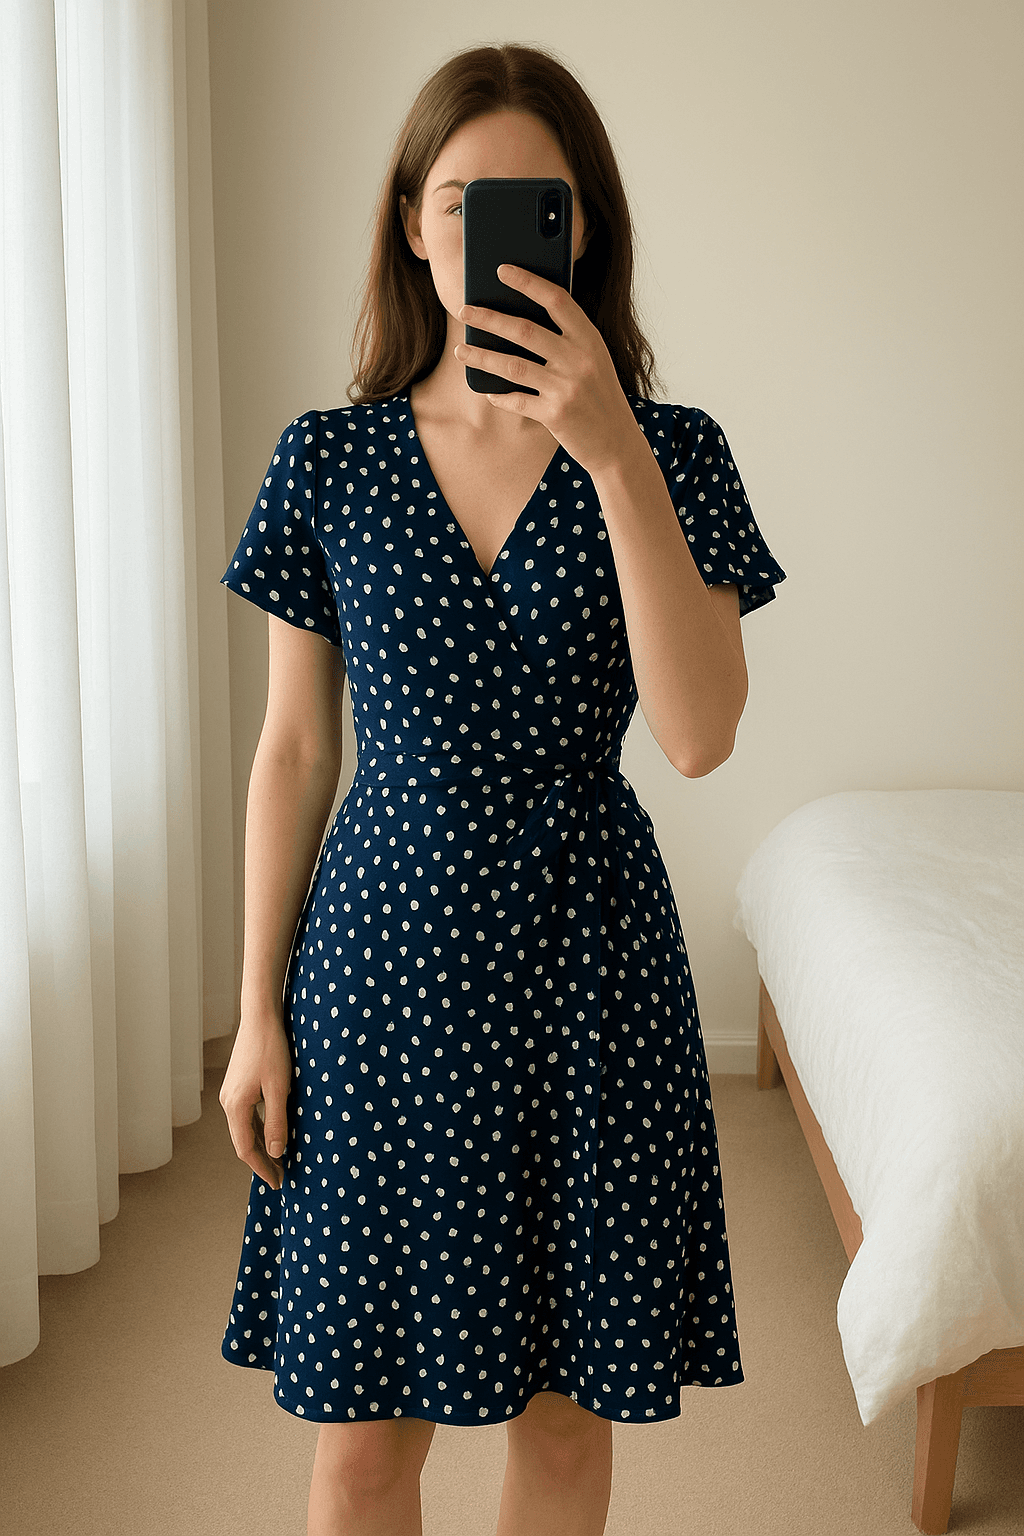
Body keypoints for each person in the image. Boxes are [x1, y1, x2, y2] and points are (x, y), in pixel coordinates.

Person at [217, 40, 785, 1536]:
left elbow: (701, 734)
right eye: (460, 199)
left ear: (581, 227)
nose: (489, 233)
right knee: (359, 1445)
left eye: (531, 202)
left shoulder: (674, 455)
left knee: (562, 1433)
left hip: (583, 968)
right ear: (411, 222)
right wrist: (257, 1008)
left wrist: (611, 459)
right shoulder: (327, 460)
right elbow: (292, 751)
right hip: (377, 973)